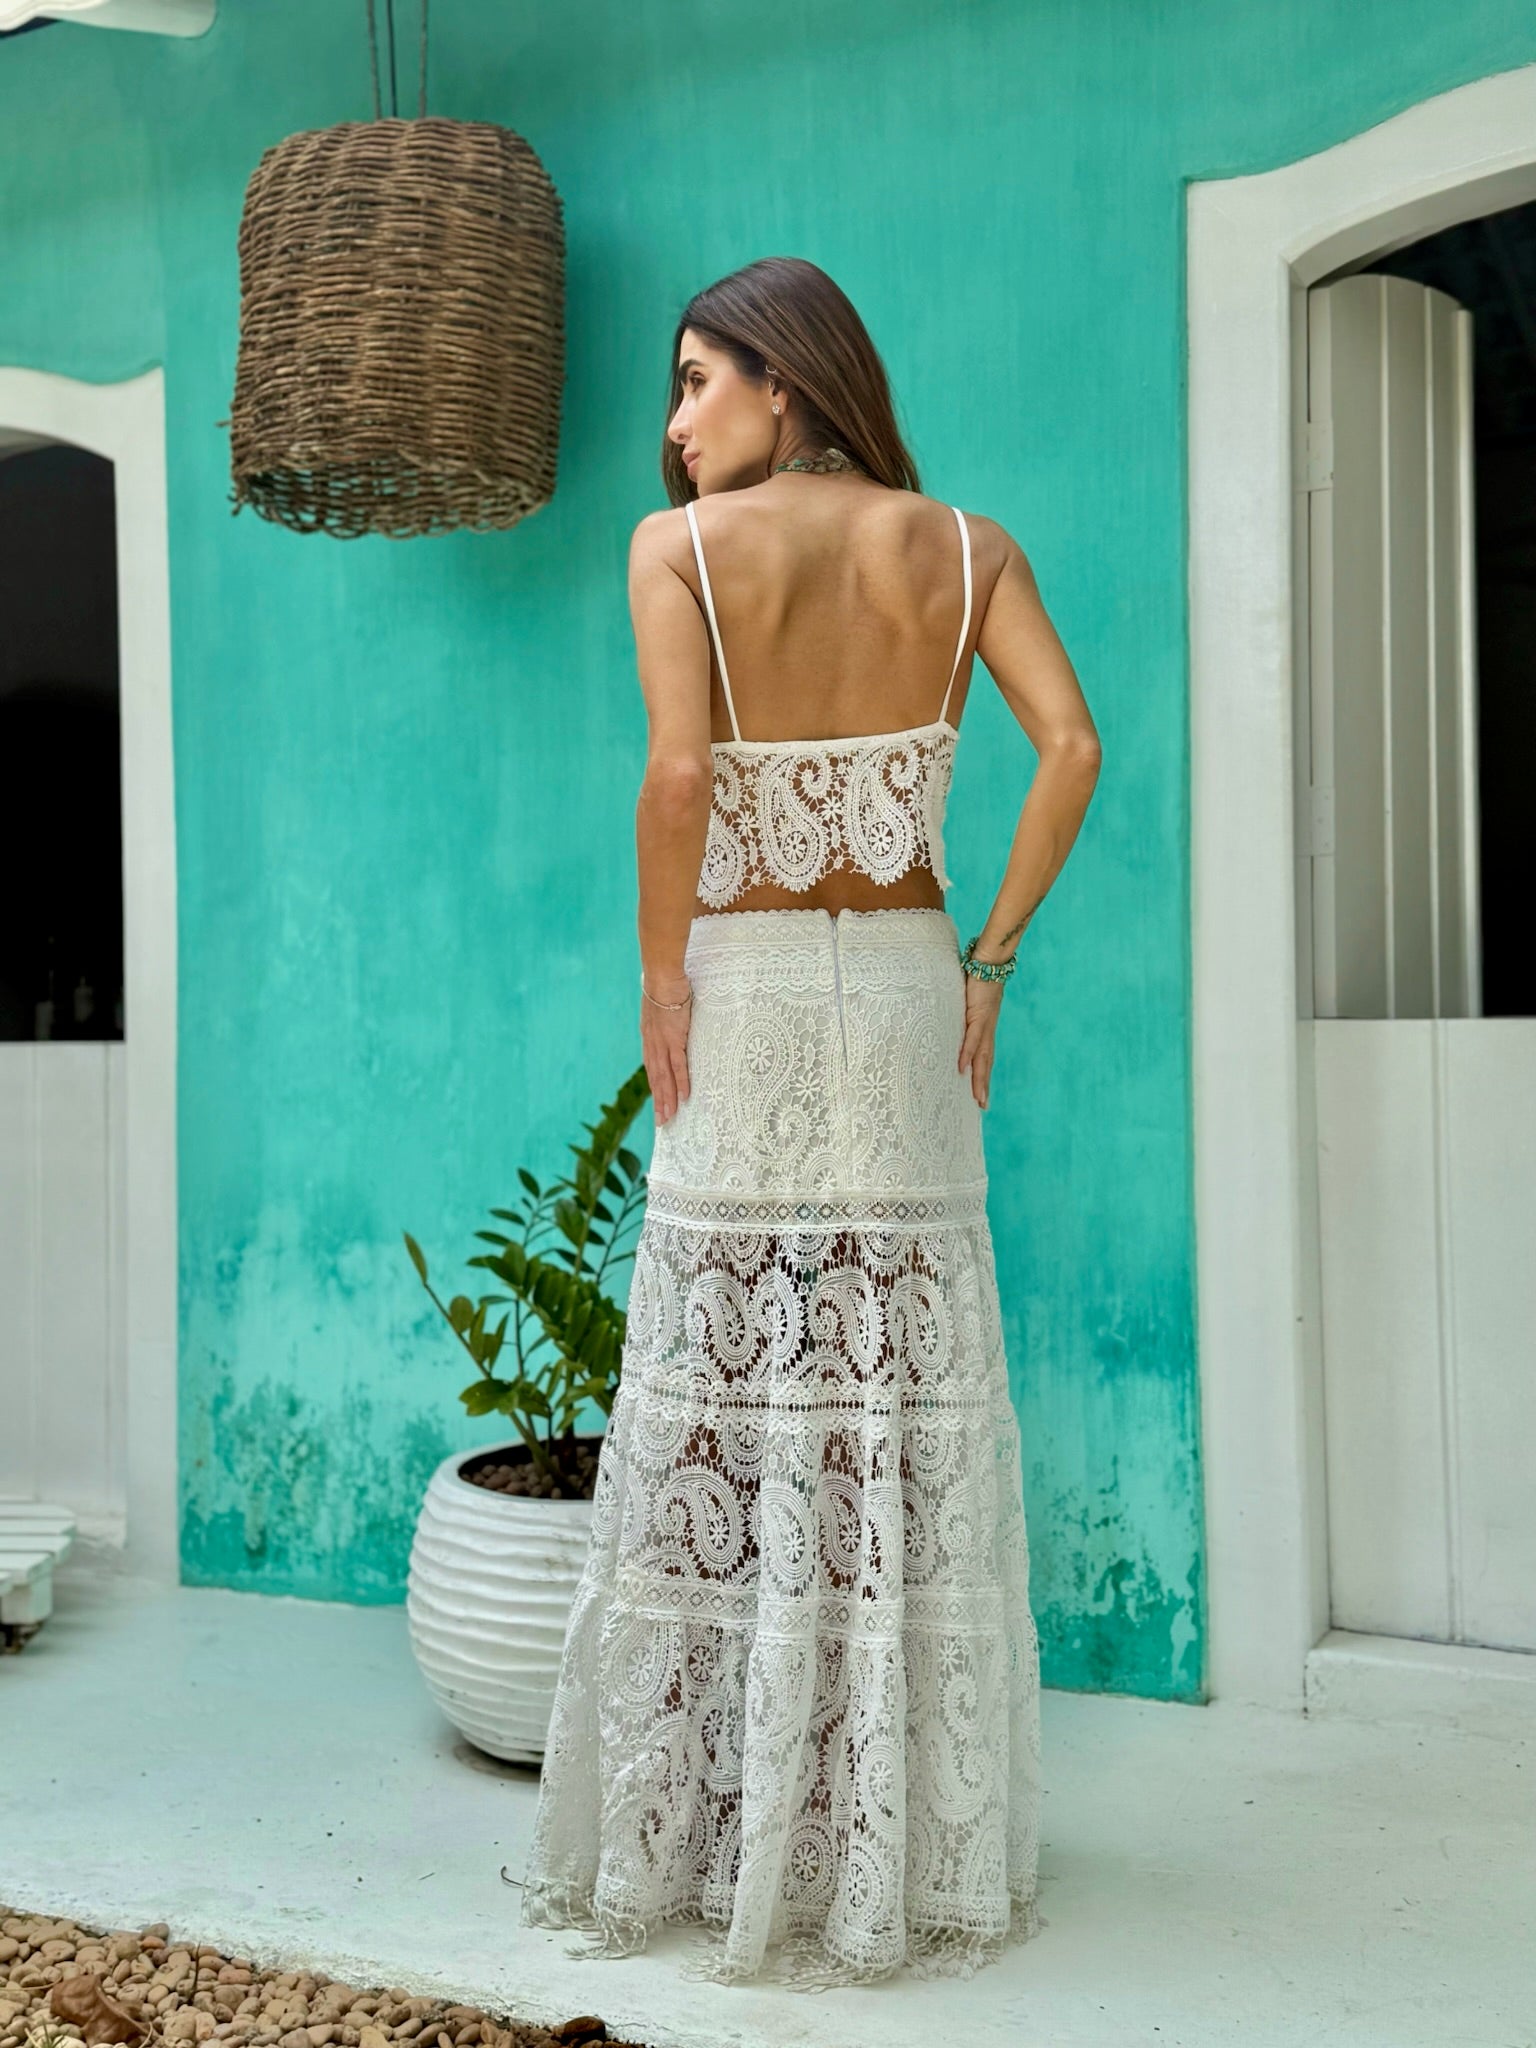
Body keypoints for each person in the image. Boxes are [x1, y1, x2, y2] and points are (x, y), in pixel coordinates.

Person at [520, 255, 1101, 1989]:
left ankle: (706, 1835)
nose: (675, 423)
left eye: (699, 379)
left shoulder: (679, 552)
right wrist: (993, 957)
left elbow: (680, 774)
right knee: (887, 1387)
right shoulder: (968, 548)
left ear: (788, 380)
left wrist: (660, 975)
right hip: (913, 985)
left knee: (721, 1386)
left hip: (750, 987)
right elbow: (1071, 746)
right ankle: (879, 1841)